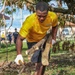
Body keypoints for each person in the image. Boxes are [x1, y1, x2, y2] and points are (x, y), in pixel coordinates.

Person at [14, 1, 58, 75]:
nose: (41, 18)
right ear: (35, 12)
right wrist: (19, 55)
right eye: (39, 16)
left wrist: (53, 38)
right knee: (38, 63)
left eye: (44, 16)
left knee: (44, 62)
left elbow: (55, 26)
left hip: (44, 39)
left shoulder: (53, 16)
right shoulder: (30, 21)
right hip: (33, 41)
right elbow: (19, 38)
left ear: (48, 12)